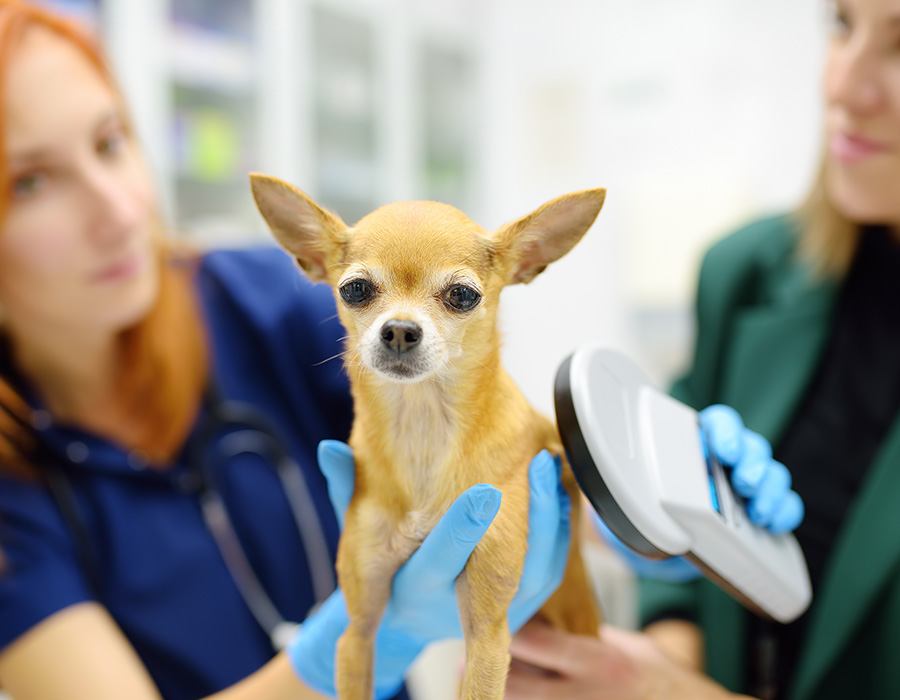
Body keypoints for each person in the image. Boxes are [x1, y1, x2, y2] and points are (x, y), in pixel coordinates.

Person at [0, 3, 573, 699]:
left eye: (110, 141)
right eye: (29, 182)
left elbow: (488, 431)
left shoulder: (260, 302)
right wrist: (359, 642)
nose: (118, 209)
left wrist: (644, 497)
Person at [507, 0, 900, 698]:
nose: (843, 85)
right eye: (842, 25)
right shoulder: (746, 273)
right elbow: (679, 574)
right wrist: (657, 657)